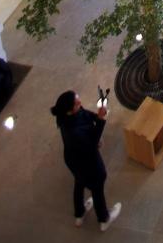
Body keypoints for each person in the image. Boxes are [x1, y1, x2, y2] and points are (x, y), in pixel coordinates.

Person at [50, 90, 121, 231]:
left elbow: (85, 114)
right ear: (70, 110)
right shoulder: (73, 131)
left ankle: (79, 213)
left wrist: (97, 116)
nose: (80, 103)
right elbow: (92, 142)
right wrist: (100, 121)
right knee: (97, 187)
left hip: (74, 161)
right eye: (77, 103)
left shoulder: (67, 115)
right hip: (87, 162)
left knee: (79, 183)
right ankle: (104, 218)